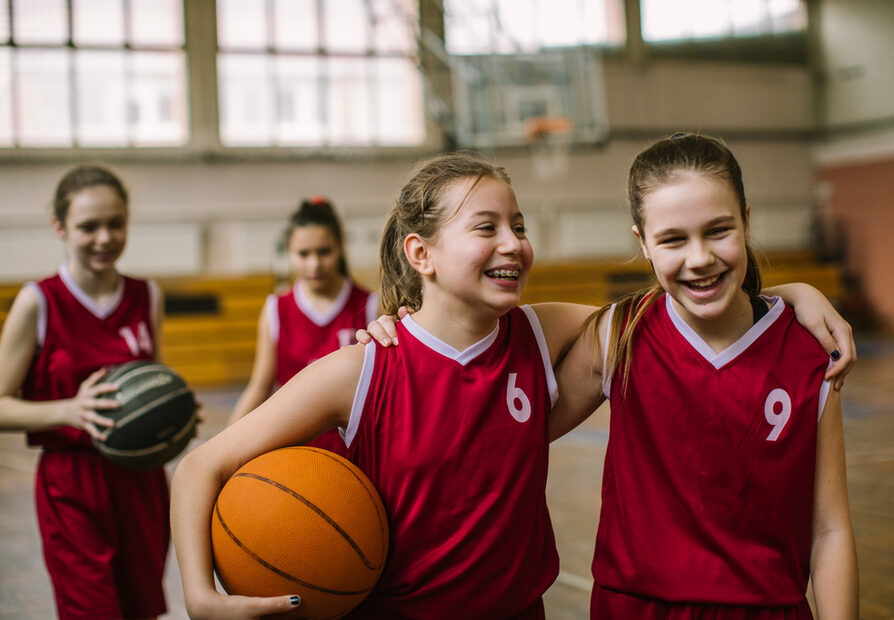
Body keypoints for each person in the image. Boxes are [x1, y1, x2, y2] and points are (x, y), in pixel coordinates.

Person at [172, 151, 597, 619]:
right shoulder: (363, 368)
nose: (513, 243)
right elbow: (198, 468)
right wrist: (199, 597)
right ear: (420, 254)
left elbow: (644, 323)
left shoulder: (540, 331)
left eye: (519, 227)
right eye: (486, 227)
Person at [549, 133, 858, 617]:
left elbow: (830, 529)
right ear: (643, 244)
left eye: (718, 231)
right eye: (673, 239)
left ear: (747, 222)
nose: (699, 257)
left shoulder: (810, 353)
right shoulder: (619, 336)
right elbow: (517, 436)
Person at [0, 164, 171, 619]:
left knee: (142, 609)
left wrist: (174, 413)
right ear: (59, 227)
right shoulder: (38, 300)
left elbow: (153, 381)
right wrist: (68, 411)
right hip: (71, 483)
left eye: (116, 224)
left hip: (141, 479)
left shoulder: (147, 295)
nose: (104, 238)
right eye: (88, 227)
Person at [226, 197, 378, 456]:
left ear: (341, 246)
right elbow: (259, 387)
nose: (314, 264)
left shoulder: (371, 305)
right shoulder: (276, 309)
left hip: (354, 451)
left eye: (324, 252)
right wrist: (224, 445)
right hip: (292, 449)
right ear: (289, 251)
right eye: (304, 254)